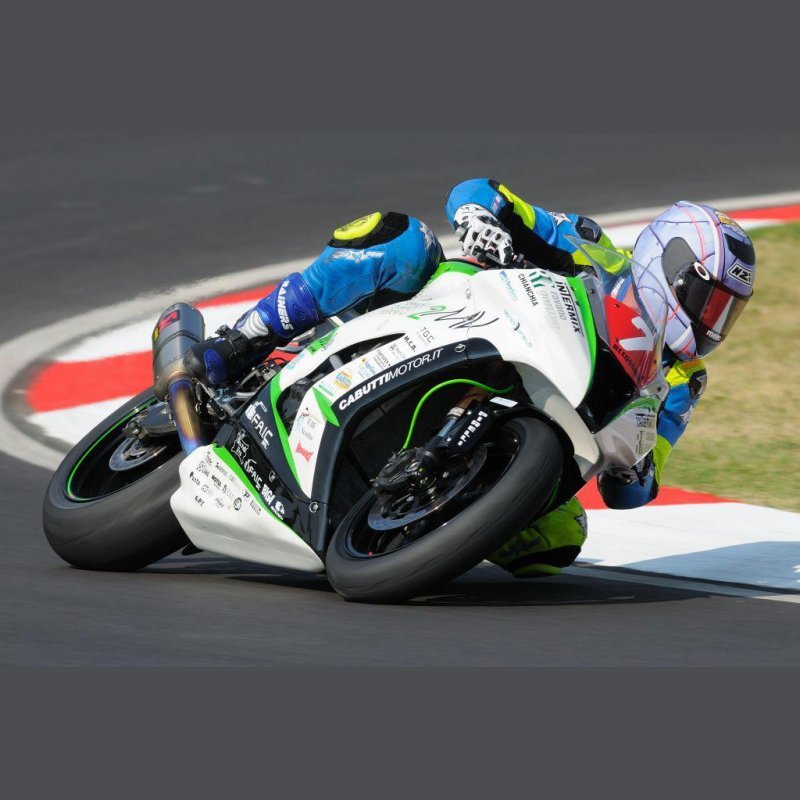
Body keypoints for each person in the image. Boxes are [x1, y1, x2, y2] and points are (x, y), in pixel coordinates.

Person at [185, 179, 756, 578]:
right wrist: (481, 222)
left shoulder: (680, 383)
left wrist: (637, 469)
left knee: (556, 542)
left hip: (535, 423)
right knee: (401, 239)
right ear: (668, 265)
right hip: (455, 318)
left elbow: (630, 491)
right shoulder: (589, 247)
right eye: (709, 301)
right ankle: (242, 342)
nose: (713, 322)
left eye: (726, 312)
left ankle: (421, 528)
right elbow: (478, 191)